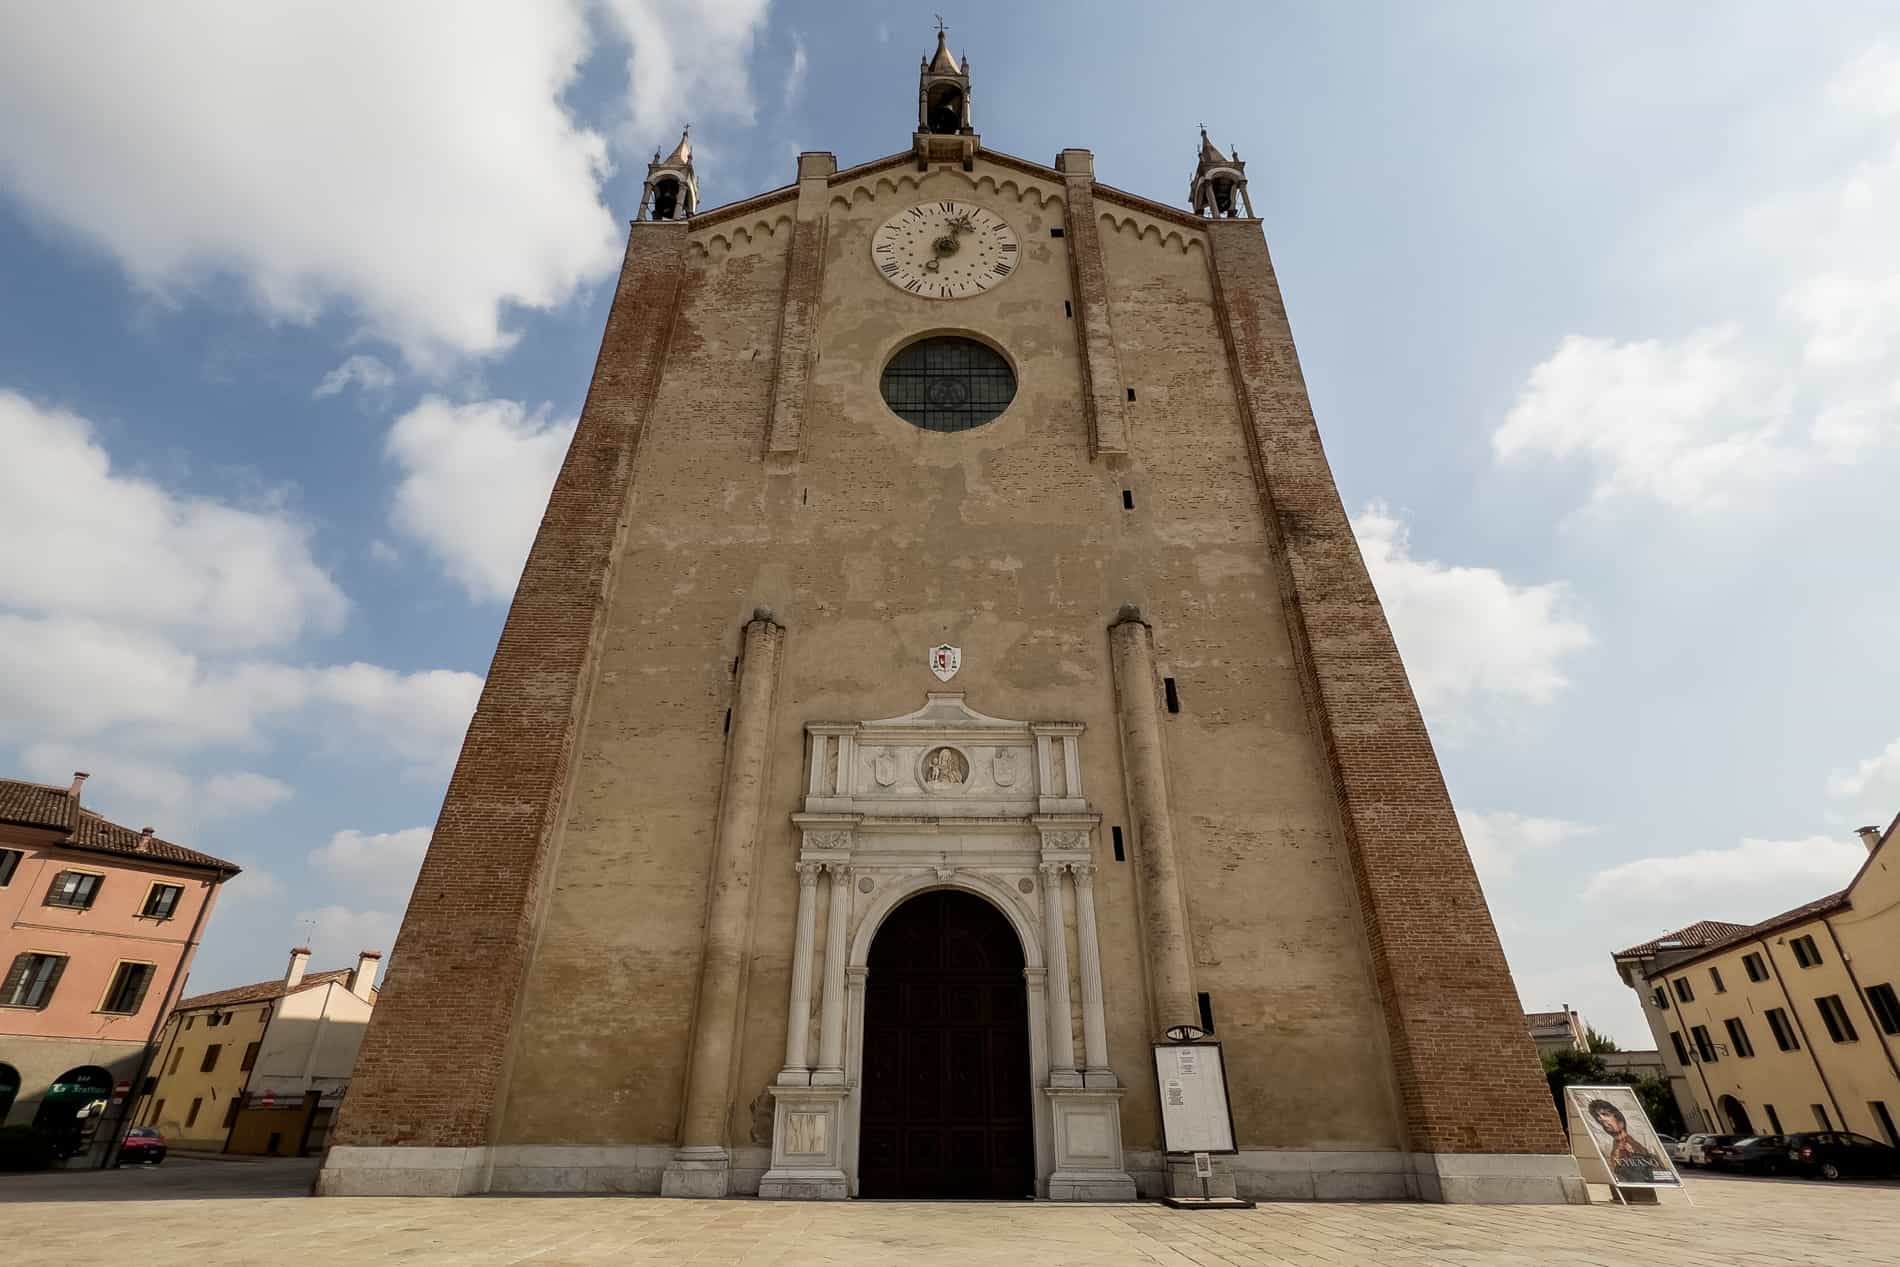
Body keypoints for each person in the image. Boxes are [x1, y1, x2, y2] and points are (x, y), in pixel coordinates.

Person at [1588, 1097, 1667, 1183]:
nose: (1601, 1119)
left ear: (1617, 1116)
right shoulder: (1613, 1148)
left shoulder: (1638, 1142)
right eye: (1598, 1117)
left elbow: (1660, 1170)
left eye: (1605, 1114)